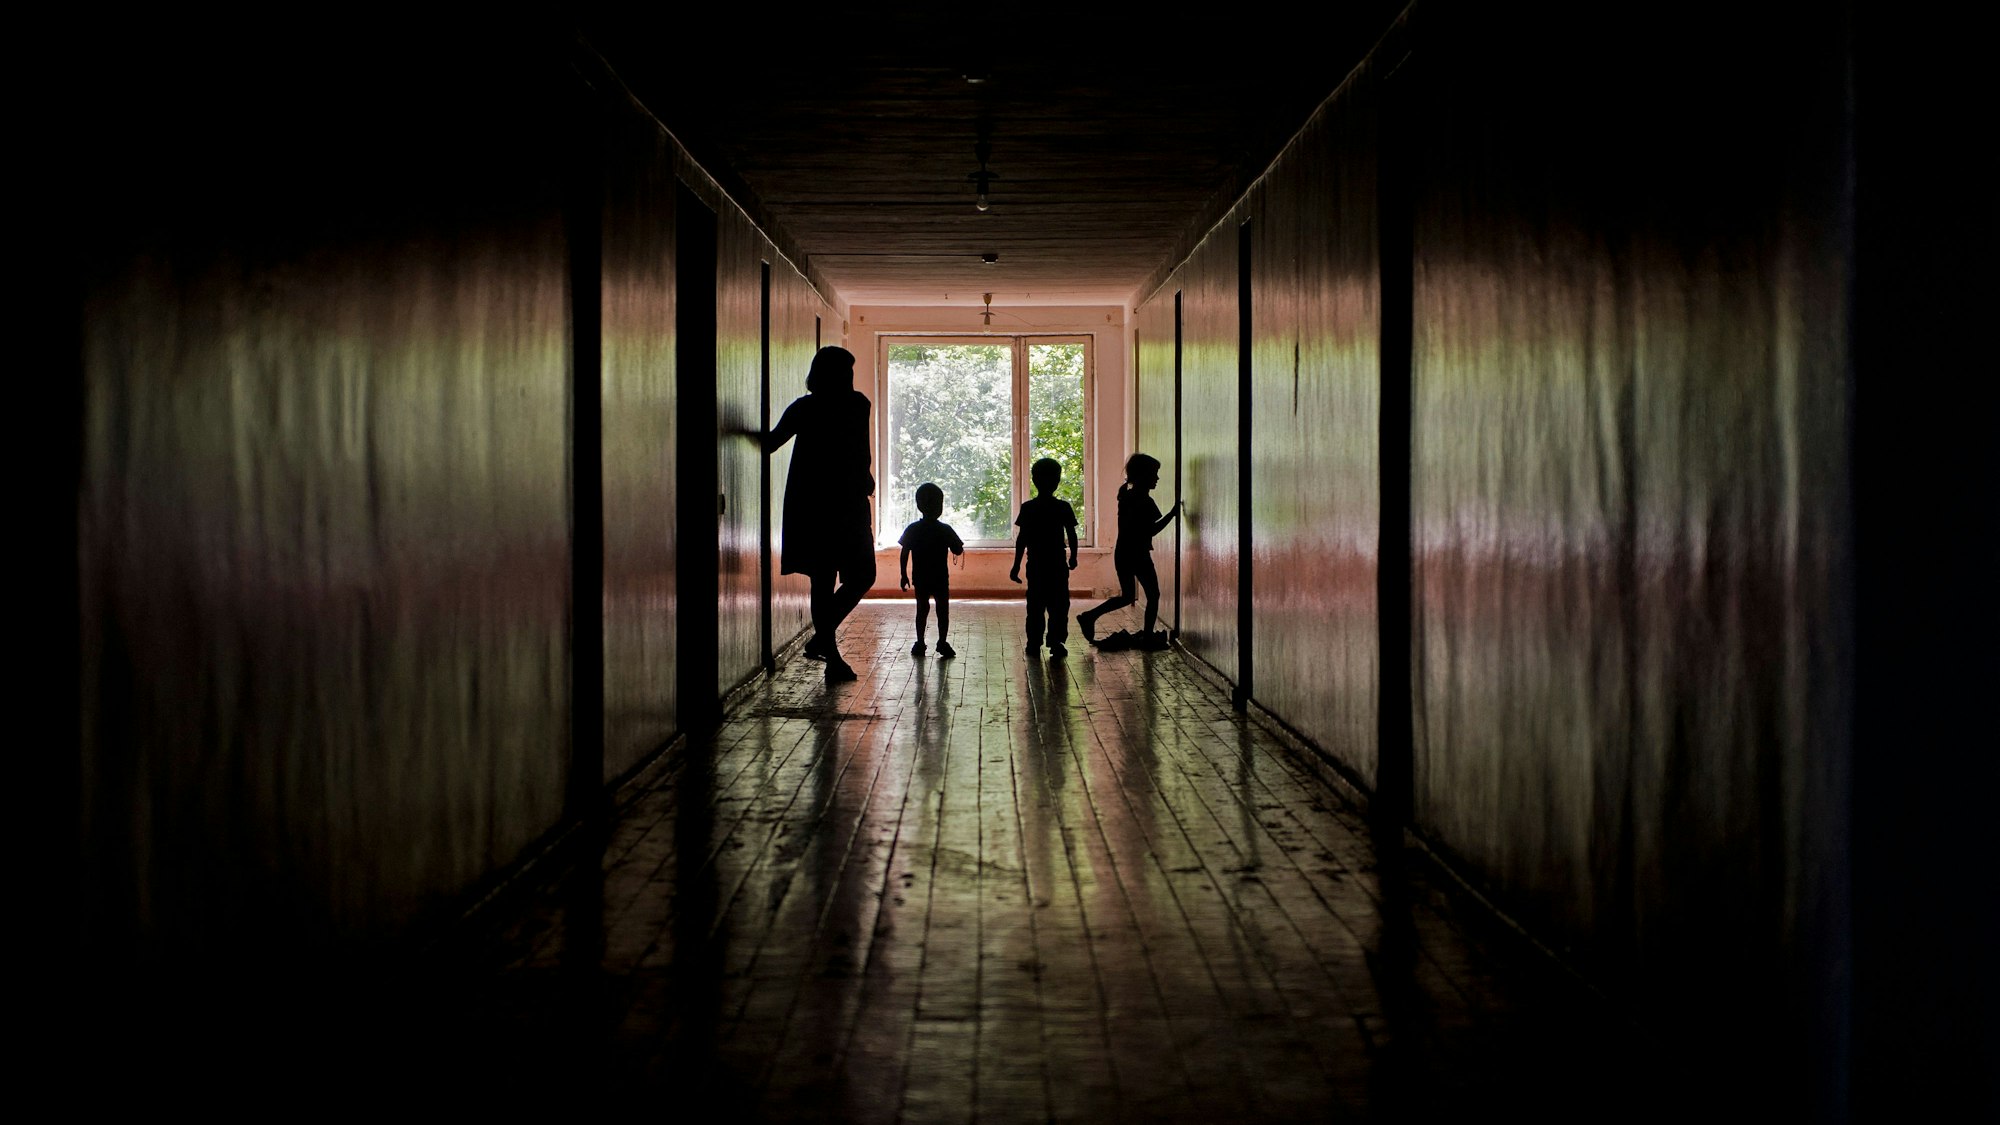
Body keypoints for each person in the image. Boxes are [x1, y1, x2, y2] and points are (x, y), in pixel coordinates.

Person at [762, 345, 875, 683]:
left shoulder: (809, 409)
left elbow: (770, 443)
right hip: (837, 505)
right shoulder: (853, 405)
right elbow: (858, 453)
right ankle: (830, 654)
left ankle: (821, 641)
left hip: (818, 505)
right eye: (845, 371)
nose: (850, 378)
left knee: (845, 578)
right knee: (834, 579)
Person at [1076, 452, 1181, 644]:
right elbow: (1152, 530)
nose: (1157, 478)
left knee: (1127, 596)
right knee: (1153, 595)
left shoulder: (1127, 496)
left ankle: (1090, 616)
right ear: (1143, 475)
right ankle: (1148, 636)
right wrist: (1172, 514)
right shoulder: (1143, 501)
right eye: (1154, 474)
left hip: (1123, 553)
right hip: (1138, 554)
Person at [1008, 457, 1079, 658]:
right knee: (1059, 604)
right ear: (1057, 481)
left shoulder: (1029, 507)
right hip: (1057, 563)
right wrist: (1073, 557)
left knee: (1036, 604)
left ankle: (1034, 642)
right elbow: (1071, 535)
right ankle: (1056, 641)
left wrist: (1016, 566)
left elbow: (1022, 539)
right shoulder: (1063, 507)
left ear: (1034, 480)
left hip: (1037, 564)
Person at [898, 482, 965, 658]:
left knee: (922, 609)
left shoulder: (913, 529)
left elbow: (904, 552)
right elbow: (957, 549)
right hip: (940, 577)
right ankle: (942, 642)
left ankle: (920, 642)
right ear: (940, 506)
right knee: (942, 610)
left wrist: (903, 574)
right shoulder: (944, 529)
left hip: (920, 577)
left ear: (919, 505)